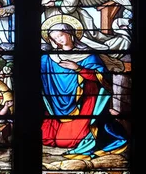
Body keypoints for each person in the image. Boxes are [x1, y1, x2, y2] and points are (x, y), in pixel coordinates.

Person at [40, 16, 127, 158]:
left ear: (70, 33)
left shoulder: (89, 56)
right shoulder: (49, 58)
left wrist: (78, 69)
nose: (58, 40)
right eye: (54, 38)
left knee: (67, 141)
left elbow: (102, 79)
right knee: (46, 137)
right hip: (56, 105)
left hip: (84, 103)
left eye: (60, 35)